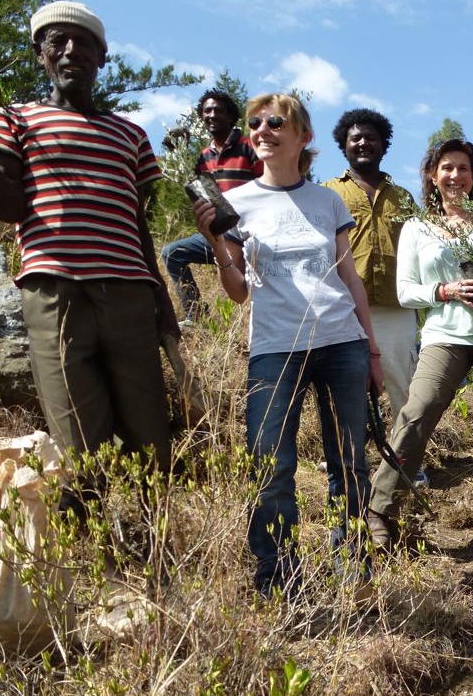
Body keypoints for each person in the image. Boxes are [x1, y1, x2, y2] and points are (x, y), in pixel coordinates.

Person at [0, 0, 174, 510]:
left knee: (153, 440)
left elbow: (137, 222)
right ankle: (84, 569)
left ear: (103, 58)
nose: (71, 51)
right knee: (80, 444)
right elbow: (8, 204)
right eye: (57, 41)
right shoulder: (13, 119)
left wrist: (162, 297)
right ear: (40, 54)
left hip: (129, 296)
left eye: (85, 44)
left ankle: (156, 557)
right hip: (55, 293)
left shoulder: (132, 135)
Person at [191, 93, 384, 598]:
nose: (263, 129)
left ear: (303, 136)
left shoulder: (328, 201)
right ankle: (279, 576)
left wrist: (373, 350)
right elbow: (236, 293)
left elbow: (351, 279)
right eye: (256, 123)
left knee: (348, 461)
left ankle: (353, 567)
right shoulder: (238, 203)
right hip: (275, 348)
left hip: (342, 342)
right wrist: (216, 243)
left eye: (277, 122)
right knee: (270, 462)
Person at [366, 138, 473, 548]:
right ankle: (380, 507)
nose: (455, 175)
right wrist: (446, 291)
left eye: (463, 168)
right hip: (444, 334)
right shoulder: (417, 228)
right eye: (447, 168)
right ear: (432, 175)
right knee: (417, 410)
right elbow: (405, 291)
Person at [323, 109, 420, 422]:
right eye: (356, 138)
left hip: (396, 306)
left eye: (371, 138)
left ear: (383, 144)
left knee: (403, 385)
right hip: (343, 306)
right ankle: (347, 460)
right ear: (344, 144)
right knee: (344, 385)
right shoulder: (328, 193)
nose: (363, 143)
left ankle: (407, 460)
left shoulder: (403, 197)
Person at [161, 88, 263, 326]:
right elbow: (199, 194)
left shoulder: (249, 146)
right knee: (172, 253)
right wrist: (178, 151)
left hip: (249, 232)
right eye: (207, 111)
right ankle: (195, 315)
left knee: (242, 287)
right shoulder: (203, 156)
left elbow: (265, 186)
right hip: (217, 234)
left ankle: (249, 325)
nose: (212, 115)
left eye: (218, 110)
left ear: (230, 116)